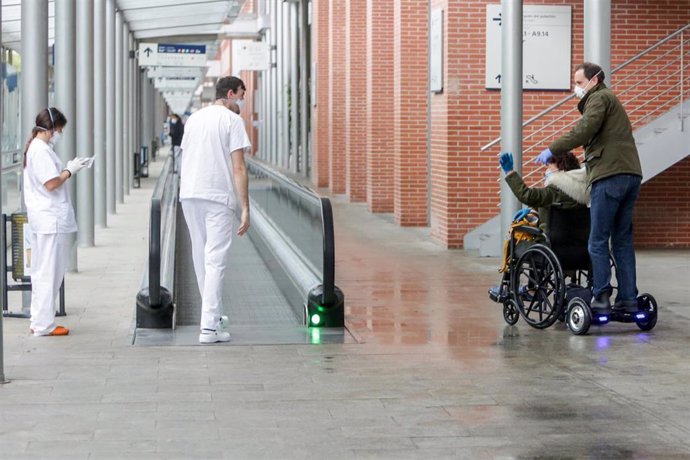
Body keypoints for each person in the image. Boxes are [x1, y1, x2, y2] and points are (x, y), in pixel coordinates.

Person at [535, 62, 643, 314]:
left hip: (609, 176)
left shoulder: (600, 98)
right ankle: (628, 300)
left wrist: (553, 149)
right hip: (631, 175)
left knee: (596, 240)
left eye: (580, 83)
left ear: (594, 81)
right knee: (622, 241)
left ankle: (601, 297)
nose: (577, 88)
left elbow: (584, 130)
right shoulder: (609, 100)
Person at [179, 76, 251, 344]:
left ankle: (214, 320)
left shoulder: (194, 119)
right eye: (242, 95)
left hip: (189, 194)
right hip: (217, 195)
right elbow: (239, 167)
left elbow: (185, 154)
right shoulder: (232, 121)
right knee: (216, 260)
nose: (242, 101)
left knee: (202, 259)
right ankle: (208, 327)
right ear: (230, 94)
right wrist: (245, 207)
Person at [23, 107, 89, 336]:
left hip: (45, 218)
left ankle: (39, 321)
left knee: (43, 271)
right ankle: (44, 325)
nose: (60, 133)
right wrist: (70, 170)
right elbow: (51, 183)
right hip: (50, 219)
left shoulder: (38, 148)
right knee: (49, 272)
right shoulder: (40, 150)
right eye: (59, 129)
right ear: (51, 129)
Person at [499, 151, 589, 235]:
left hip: (552, 240)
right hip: (581, 241)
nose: (547, 171)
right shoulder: (584, 188)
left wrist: (510, 172)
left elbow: (527, 195)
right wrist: (533, 211)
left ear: (561, 168)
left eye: (549, 167)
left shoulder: (557, 190)